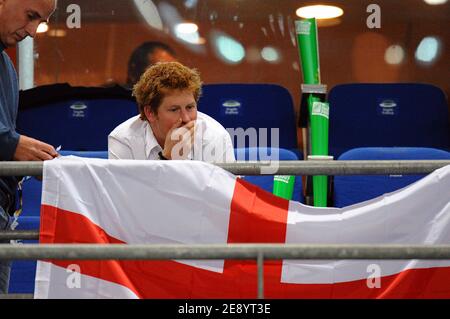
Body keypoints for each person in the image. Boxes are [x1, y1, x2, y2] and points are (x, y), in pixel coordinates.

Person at [0, 0, 59, 294]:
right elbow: (6, 141)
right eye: (31, 16)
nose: (34, 31)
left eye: (41, 21)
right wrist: (13, 145)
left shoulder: (7, 67)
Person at [109, 62, 235, 163]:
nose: (186, 118)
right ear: (150, 113)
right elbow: (124, 195)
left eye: (190, 107)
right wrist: (167, 159)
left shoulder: (215, 137)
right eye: (174, 110)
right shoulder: (123, 140)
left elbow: (227, 194)